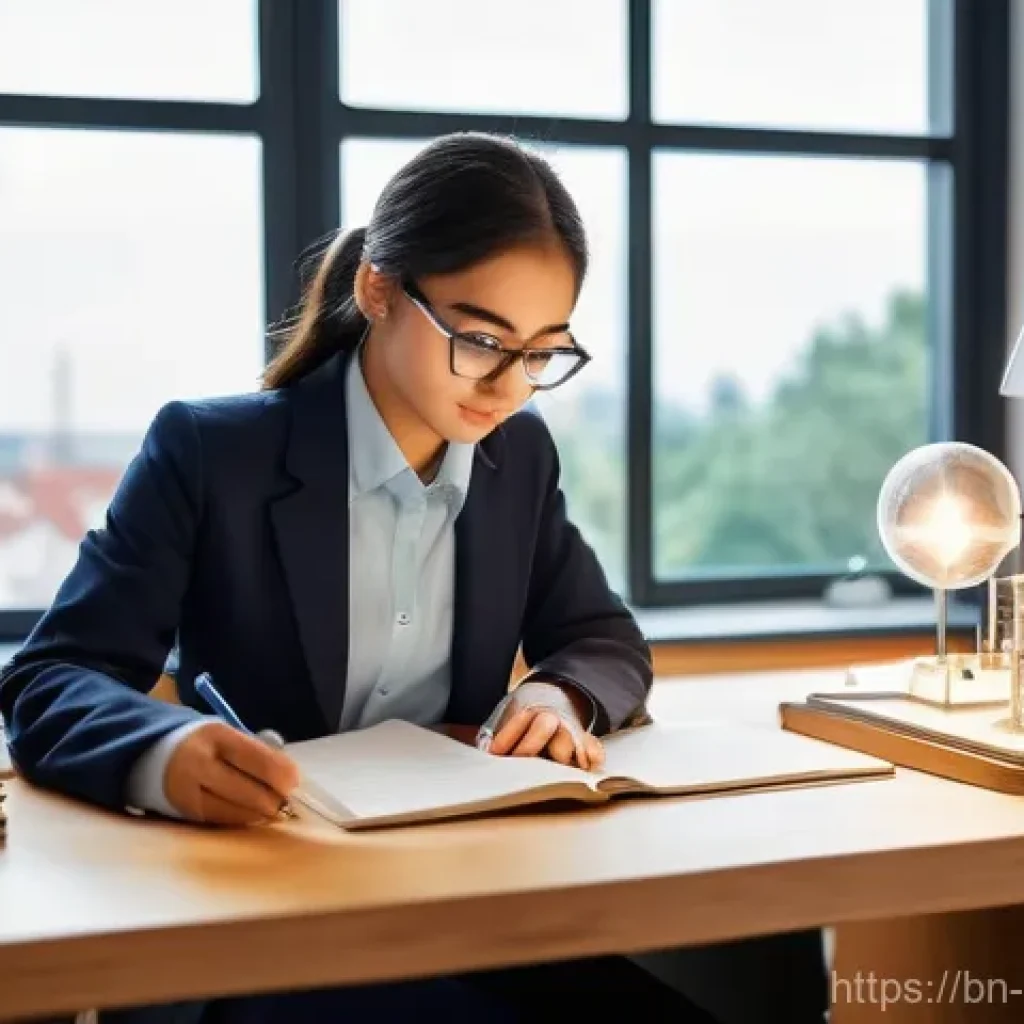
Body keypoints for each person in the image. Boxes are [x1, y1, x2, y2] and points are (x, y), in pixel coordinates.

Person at [0, 133, 823, 1023]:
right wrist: (163, 756)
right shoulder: (212, 454)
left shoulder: (519, 460)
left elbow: (602, 638)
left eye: (543, 353)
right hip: (260, 927)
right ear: (379, 291)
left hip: (464, 904)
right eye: (480, 340)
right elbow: (49, 678)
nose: (508, 386)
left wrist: (557, 698)